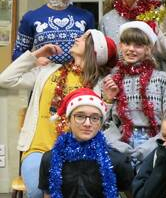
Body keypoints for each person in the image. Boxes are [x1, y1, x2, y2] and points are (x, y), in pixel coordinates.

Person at [0, 29, 116, 198]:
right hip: (37, 150)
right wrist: (35, 55)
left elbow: (99, 124)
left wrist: (107, 100)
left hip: (75, 152)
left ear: (93, 50)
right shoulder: (47, 71)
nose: (77, 38)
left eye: (84, 39)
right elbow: (5, 79)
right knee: (36, 191)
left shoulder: (97, 85)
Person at [103, 21, 166, 166]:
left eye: (138, 45)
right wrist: (108, 99)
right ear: (120, 46)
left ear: (148, 49)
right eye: (127, 43)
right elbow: (103, 123)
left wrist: (151, 146)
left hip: (155, 144)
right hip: (120, 145)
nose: (131, 49)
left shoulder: (163, 79)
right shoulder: (112, 79)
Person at [38, 88, 133, 198]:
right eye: (80, 116)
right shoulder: (49, 159)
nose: (87, 123)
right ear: (68, 120)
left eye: (94, 118)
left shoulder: (117, 161)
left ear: (100, 123)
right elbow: (48, 195)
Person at [12, 0, 95, 64]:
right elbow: (17, 54)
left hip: (78, 79)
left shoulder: (85, 16)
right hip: (43, 78)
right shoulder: (31, 18)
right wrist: (35, 60)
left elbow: (94, 52)